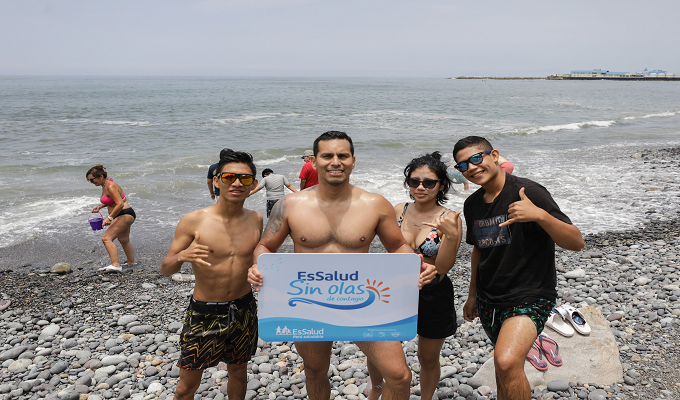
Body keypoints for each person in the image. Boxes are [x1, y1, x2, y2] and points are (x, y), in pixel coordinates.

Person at [248, 131, 437, 400]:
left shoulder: (374, 204)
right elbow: (265, 246)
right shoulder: (290, 205)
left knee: (399, 376)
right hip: (310, 302)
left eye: (342, 156)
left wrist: (414, 262)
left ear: (353, 161)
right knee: (315, 371)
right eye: (327, 156)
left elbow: (397, 246)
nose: (335, 162)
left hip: (364, 298)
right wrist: (259, 267)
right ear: (314, 162)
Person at [452, 136, 584, 400]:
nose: (471, 167)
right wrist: (472, 295)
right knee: (506, 370)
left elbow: (576, 242)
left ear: (494, 155)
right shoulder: (472, 204)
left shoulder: (529, 192)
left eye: (476, 158)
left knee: (506, 361)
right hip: (490, 299)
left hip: (530, 295)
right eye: (463, 165)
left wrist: (539, 215)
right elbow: (479, 249)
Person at [161, 151, 263, 400]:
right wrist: (182, 256)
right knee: (187, 385)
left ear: (253, 185)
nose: (237, 183)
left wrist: (257, 269)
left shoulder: (256, 219)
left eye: (245, 178)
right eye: (229, 177)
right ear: (216, 180)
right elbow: (166, 268)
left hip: (244, 308)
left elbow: (255, 260)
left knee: (239, 373)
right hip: (205, 312)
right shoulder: (194, 220)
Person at [367, 152, 462, 400]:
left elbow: (443, 267)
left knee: (428, 358)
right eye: (414, 181)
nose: (420, 187)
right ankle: (376, 389)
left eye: (429, 182)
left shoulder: (450, 218)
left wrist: (451, 236)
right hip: (392, 291)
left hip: (433, 293)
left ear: (441, 184)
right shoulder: (398, 210)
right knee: (379, 352)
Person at [86, 164, 137, 273]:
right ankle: (131, 262)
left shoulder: (110, 186)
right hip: (124, 214)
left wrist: (109, 218)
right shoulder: (105, 185)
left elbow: (120, 204)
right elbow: (113, 200)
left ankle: (115, 265)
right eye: (89, 180)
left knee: (106, 238)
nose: (91, 182)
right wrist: (101, 206)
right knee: (123, 240)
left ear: (100, 176)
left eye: (92, 179)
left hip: (124, 214)